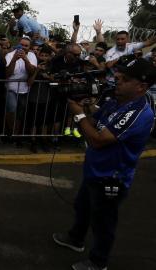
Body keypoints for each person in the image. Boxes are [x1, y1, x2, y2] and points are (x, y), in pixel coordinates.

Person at [53, 58, 156, 270]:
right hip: (94, 170)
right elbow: (93, 122)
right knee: (82, 207)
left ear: (141, 87)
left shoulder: (138, 113)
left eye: (125, 79)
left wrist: (78, 114)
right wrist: (84, 108)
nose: (117, 79)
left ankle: (98, 262)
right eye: (119, 75)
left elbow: (98, 140)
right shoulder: (115, 100)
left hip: (111, 178)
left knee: (103, 223)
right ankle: (75, 239)